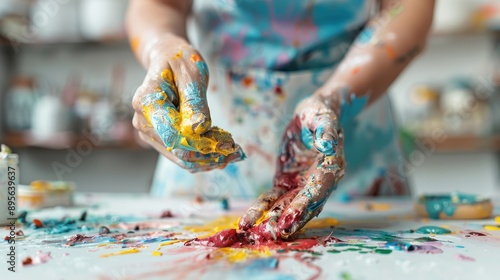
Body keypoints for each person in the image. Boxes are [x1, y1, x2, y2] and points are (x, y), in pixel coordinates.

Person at [126, 0, 435, 239]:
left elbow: (405, 8)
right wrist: (161, 47)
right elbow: (158, 4)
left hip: (350, 120)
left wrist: (333, 99)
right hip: (210, 128)